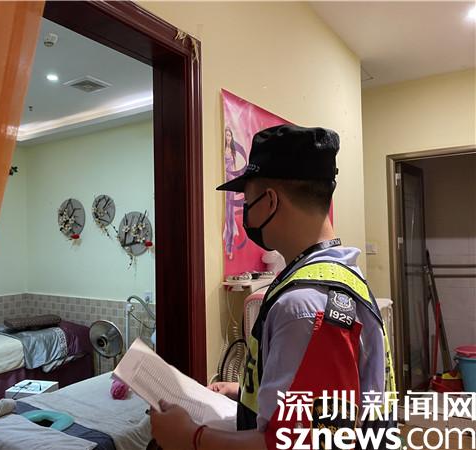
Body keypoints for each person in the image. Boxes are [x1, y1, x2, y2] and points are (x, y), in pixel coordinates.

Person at [150, 124, 396, 450]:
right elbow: (325, 401)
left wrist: (189, 437)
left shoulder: (305, 306)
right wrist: (246, 392)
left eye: (247, 201)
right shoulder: (338, 273)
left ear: (269, 201)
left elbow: (293, 444)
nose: (246, 214)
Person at [223, 126, 248, 260]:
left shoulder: (232, 151)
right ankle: (228, 247)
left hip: (231, 184)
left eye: (229, 135)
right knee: (228, 216)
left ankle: (230, 246)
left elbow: (234, 168)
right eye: (226, 135)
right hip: (226, 183)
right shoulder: (223, 151)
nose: (228, 138)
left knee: (231, 215)